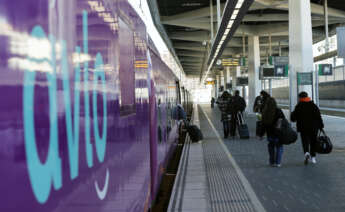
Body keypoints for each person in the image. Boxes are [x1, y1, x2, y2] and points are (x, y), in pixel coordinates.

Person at [291, 91, 324, 165]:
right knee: (313, 142)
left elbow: (293, 118)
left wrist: (292, 113)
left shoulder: (298, 106)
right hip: (314, 128)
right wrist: (321, 126)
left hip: (303, 128)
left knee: (305, 141)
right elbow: (318, 116)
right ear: (307, 97)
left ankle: (306, 153)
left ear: (300, 98)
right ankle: (313, 157)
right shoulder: (313, 105)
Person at [261, 90, 285, 167]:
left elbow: (263, 124)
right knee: (279, 147)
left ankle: (272, 162)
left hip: (270, 133)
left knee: (271, 147)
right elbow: (283, 121)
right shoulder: (279, 111)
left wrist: (261, 134)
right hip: (278, 133)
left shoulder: (265, 112)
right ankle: (278, 163)